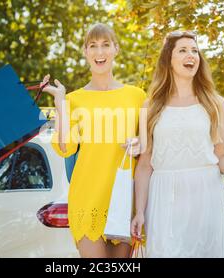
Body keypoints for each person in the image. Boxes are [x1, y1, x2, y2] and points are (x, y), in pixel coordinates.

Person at [130, 31, 224, 257]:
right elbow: (145, 164)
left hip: (206, 195)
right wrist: (139, 212)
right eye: (183, 50)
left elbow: (222, 159)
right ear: (169, 59)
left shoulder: (215, 103)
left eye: (195, 51)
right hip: (164, 195)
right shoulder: (151, 106)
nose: (191, 55)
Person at [41, 23, 146, 258]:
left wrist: (140, 143)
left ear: (116, 49)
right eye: (93, 46)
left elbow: (149, 148)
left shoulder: (137, 96)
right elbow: (65, 148)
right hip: (87, 199)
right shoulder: (73, 99)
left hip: (125, 199)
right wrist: (60, 104)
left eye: (106, 45)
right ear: (85, 52)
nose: (100, 52)